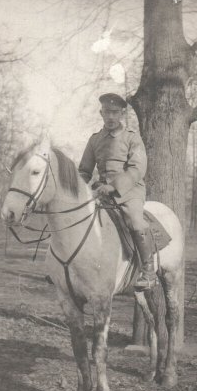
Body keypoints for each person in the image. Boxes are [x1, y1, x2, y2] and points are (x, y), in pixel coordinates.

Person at [78, 93, 156, 290]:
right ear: (101, 113)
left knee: (136, 222)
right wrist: (75, 189)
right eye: (107, 112)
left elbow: (137, 168)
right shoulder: (95, 140)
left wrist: (114, 186)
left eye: (115, 113)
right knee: (78, 218)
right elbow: (84, 171)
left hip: (129, 192)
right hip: (102, 193)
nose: (110, 117)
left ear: (122, 113)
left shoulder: (132, 137)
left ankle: (148, 271)